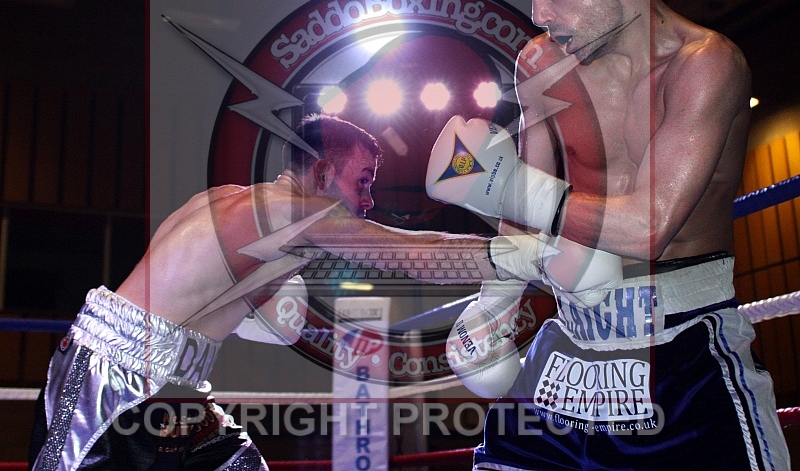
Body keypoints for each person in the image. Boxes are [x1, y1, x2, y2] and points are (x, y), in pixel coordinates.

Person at [425, 0, 790, 471]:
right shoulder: (541, 64)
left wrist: (504, 186)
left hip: (680, 345)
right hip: (570, 343)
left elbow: (647, 228)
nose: (538, 14)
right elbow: (524, 212)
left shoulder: (705, 65)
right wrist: (497, 300)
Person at [29, 113, 559, 471]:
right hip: (112, 376)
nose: (369, 200)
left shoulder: (234, 204)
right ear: (323, 172)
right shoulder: (288, 213)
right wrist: (527, 256)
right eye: (363, 181)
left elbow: (202, 298)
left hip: (174, 387)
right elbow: (408, 253)